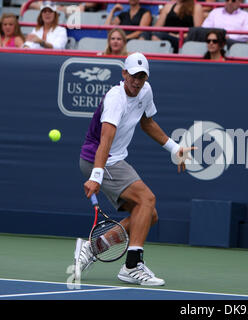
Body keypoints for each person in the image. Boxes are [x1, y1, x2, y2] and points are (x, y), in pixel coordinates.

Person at [75, 52, 195, 286]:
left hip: (115, 159)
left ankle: (95, 246)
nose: (137, 81)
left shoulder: (145, 91)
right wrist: (96, 176)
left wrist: (174, 148)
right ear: (124, 74)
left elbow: (147, 122)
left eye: (142, 77)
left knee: (148, 215)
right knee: (147, 198)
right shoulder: (115, 99)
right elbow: (105, 142)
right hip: (99, 159)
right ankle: (132, 265)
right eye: (133, 76)